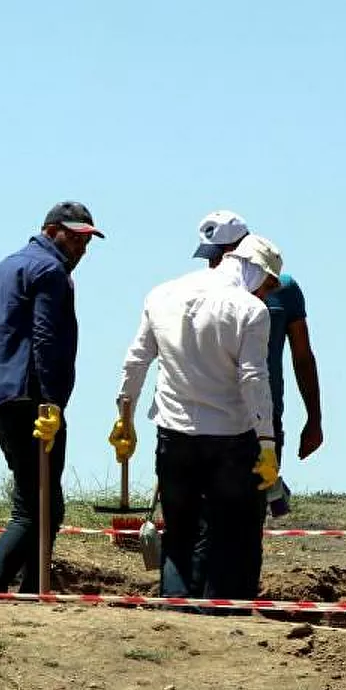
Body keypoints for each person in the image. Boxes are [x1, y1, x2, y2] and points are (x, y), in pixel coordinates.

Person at [113, 233, 283, 600]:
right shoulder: (250, 311)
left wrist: (124, 415)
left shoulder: (161, 295)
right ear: (255, 271)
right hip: (230, 440)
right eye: (267, 286)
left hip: (173, 435)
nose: (266, 295)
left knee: (178, 532)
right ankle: (216, 619)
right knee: (228, 531)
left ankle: (176, 615)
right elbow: (254, 379)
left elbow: (136, 360)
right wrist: (267, 442)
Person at [0, 202, 103, 593]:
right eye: (75, 238)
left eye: (86, 241)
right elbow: (45, 340)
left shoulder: (2, 269)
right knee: (34, 506)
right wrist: (52, 402)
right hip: (35, 403)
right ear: (50, 230)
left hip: (3, 401)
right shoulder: (50, 271)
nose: (81, 249)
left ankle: (35, 588)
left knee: (45, 504)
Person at [192, 211, 323, 467]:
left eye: (220, 254)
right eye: (210, 257)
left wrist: (314, 419)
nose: (214, 264)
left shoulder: (283, 289)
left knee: (256, 499)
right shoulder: (197, 293)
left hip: (263, 415)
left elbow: (303, 357)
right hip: (209, 415)